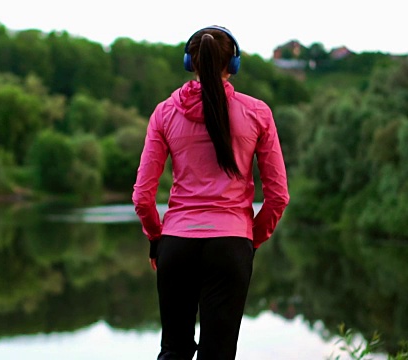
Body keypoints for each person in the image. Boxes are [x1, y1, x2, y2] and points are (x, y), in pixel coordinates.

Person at [131, 25, 289, 360]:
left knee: (173, 350)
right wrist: (249, 239)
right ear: (233, 65)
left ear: (191, 61)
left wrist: (157, 238)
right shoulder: (258, 113)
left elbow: (143, 196)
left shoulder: (164, 112)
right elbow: (277, 196)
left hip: (176, 244)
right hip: (231, 245)